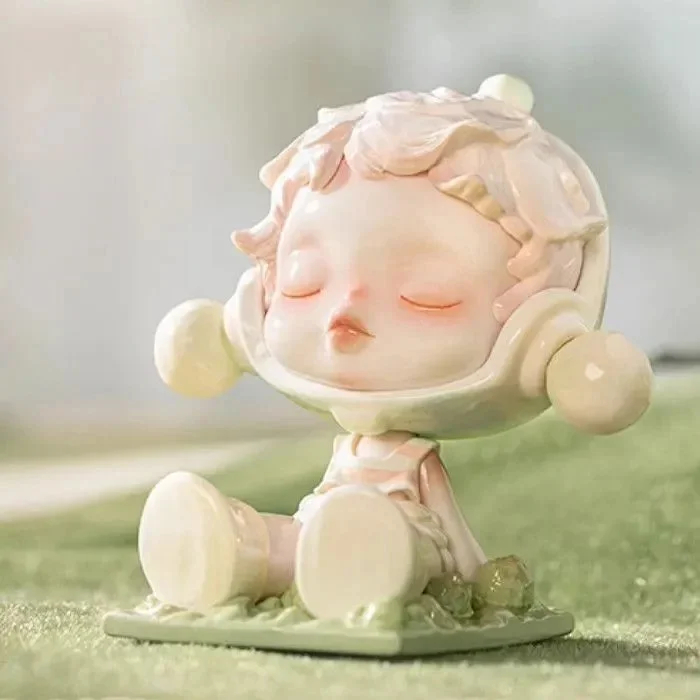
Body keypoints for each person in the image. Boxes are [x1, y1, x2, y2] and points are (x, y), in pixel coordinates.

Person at [140, 75, 652, 620]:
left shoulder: (416, 465)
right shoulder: (347, 449)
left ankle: (361, 568)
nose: (344, 312)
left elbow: (450, 529)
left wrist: (475, 577)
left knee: (393, 544)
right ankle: (225, 547)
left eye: (426, 294)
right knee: (295, 537)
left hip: (405, 539)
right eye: (304, 281)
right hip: (327, 522)